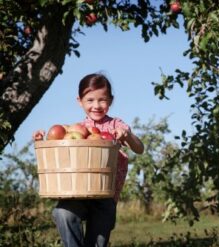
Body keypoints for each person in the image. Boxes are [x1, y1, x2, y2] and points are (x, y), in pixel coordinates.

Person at [32, 73, 144, 247]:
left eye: (102, 100)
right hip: (78, 194)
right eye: (90, 100)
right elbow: (62, 156)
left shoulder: (116, 126)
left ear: (111, 100)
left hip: (105, 196)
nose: (96, 105)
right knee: (63, 213)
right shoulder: (77, 129)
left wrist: (127, 136)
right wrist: (43, 141)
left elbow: (139, 148)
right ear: (80, 101)